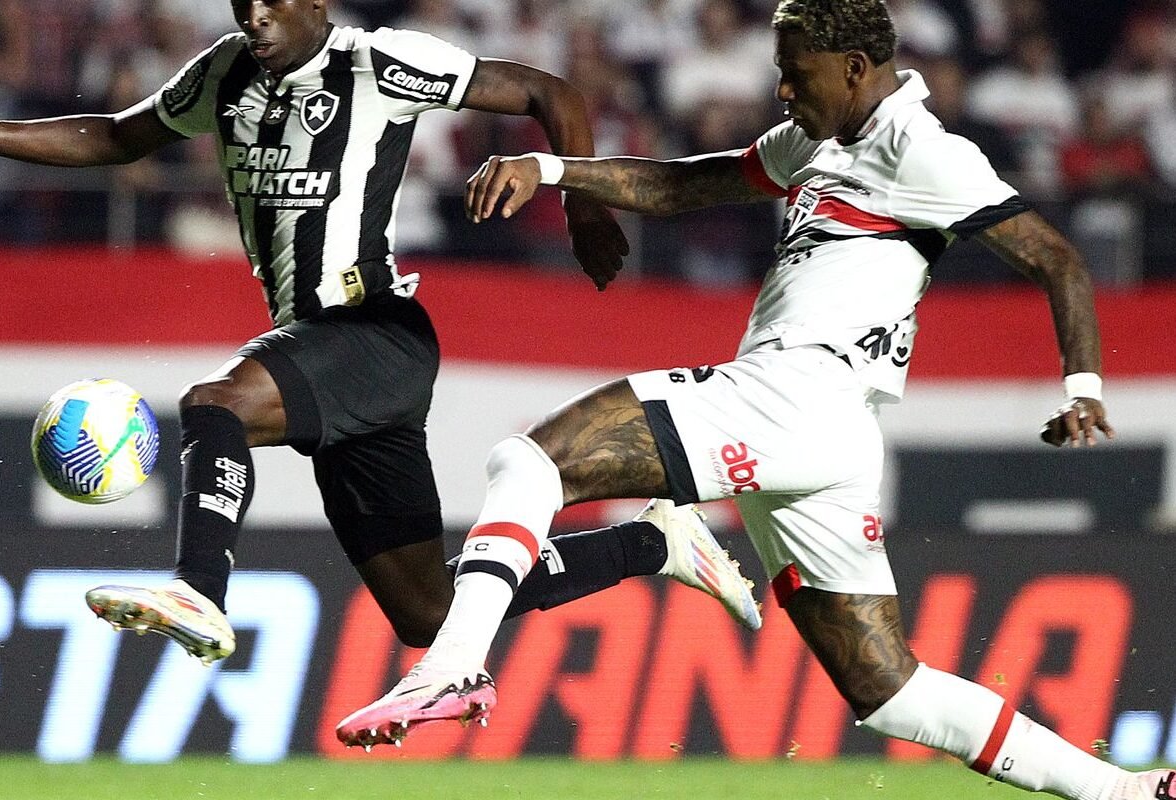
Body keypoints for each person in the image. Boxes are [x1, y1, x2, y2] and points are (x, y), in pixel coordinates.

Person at [337, 2, 1173, 798]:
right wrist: (553, 168)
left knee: (532, 460)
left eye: (796, 71)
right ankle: (1122, 788)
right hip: (825, 431)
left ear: (854, 67)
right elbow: (686, 187)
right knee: (891, 692)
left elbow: (1055, 257)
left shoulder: (922, 151)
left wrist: (1083, 384)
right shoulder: (821, 139)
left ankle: (454, 666)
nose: (782, 88)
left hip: (796, 393)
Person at [0, 0, 763, 667]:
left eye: (272, 1)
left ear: (316, 2)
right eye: (242, 2)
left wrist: (582, 203)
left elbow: (549, 90)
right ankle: (658, 541)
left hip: (373, 327)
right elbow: (116, 137)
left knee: (215, 404)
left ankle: (199, 591)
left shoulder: (380, 62)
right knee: (429, 613)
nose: (255, 16)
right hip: (330, 350)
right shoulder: (224, 71)